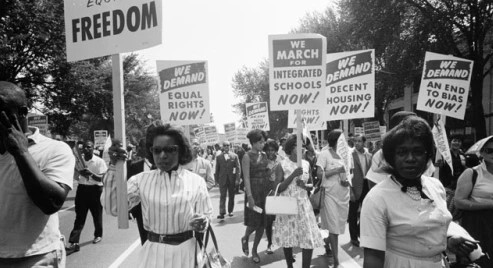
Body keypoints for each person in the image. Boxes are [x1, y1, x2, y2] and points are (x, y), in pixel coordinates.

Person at [361, 116, 478, 268]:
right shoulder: (376, 198)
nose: (410, 158)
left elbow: (428, 230)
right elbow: (373, 259)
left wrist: (448, 242)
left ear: (427, 155)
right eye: (402, 152)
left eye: (417, 152)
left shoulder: (436, 186)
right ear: (391, 158)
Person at [102, 123, 213, 268]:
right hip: (154, 254)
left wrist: (203, 221)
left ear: (181, 151)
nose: (162, 155)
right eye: (157, 150)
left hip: (187, 253)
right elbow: (114, 208)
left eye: (170, 150)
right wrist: (114, 166)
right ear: (151, 151)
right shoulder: (140, 180)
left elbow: (206, 214)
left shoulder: (196, 181)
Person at [0, 81, 75, 267]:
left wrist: (21, 152)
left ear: (22, 113)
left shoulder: (55, 149)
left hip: (37, 258)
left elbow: (52, 203)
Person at [273, 134, 324, 268]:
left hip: (304, 205)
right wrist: (293, 175)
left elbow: (312, 185)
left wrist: (304, 186)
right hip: (287, 205)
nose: (302, 149)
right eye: (298, 145)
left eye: (303, 146)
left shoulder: (306, 164)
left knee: (308, 238)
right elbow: (278, 188)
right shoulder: (282, 165)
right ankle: (290, 265)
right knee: (288, 239)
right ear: (291, 147)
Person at [366, 111, 436, 188]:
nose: (410, 159)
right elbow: (373, 182)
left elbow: (430, 173)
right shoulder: (380, 155)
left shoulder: (423, 153)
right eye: (402, 152)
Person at [455, 135, 493, 262]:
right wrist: (489, 204)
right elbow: (459, 202)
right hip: (477, 225)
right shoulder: (472, 173)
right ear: (481, 152)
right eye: (489, 150)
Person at [66, 140, 108, 254]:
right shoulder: (79, 162)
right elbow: (75, 177)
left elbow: (101, 179)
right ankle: (74, 242)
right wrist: (78, 173)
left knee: (96, 215)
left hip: (95, 191)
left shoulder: (99, 161)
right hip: (82, 190)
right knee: (79, 217)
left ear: (93, 148)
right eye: (84, 147)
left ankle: (98, 235)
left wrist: (90, 174)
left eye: (89, 147)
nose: (86, 149)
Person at [316, 129, 350, 267]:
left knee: (337, 227)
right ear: (336, 140)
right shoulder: (324, 154)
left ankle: (327, 241)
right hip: (329, 195)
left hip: (343, 195)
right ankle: (336, 260)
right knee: (334, 228)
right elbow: (319, 174)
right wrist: (336, 170)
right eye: (342, 138)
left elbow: (349, 175)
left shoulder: (347, 155)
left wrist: (347, 181)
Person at [241, 129, 269, 264]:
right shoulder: (246, 156)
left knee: (262, 224)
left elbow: (268, 171)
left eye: (263, 142)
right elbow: (246, 178)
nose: (262, 144)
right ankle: (245, 237)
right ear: (253, 142)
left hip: (264, 194)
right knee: (253, 222)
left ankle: (254, 250)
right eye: (260, 142)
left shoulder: (264, 155)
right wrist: (250, 196)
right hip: (253, 193)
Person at [348, 134, 372, 247]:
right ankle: (353, 238)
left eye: (359, 141)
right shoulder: (350, 155)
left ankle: (358, 231)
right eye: (355, 141)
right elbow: (347, 173)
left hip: (367, 186)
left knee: (366, 212)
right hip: (354, 187)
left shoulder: (369, 155)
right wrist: (350, 190)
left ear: (364, 142)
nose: (356, 143)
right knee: (352, 214)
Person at [263, 138, 283, 254]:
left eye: (273, 150)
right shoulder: (263, 162)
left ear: (276, 150)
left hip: (281, 191)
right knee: (269, 220)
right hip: (268, 193)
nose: (270, 152)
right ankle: (270, 243)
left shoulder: (282, 160)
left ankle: (285, 243)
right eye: (268, 150)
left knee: (281, 219)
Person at [215, 141, 241, 219]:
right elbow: (217, 169)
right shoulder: (219, 157)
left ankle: (230, 211)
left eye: (228, 145)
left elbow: (238, 168)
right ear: (222, 147)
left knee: (231, 195)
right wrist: (216, 180)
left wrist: (237, 179)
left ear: (230, 146)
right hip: (222, 179)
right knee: (222, 195)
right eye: (225, 145)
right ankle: (222, 212)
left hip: (231, 179)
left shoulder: (234, 156)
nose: (226, 147)